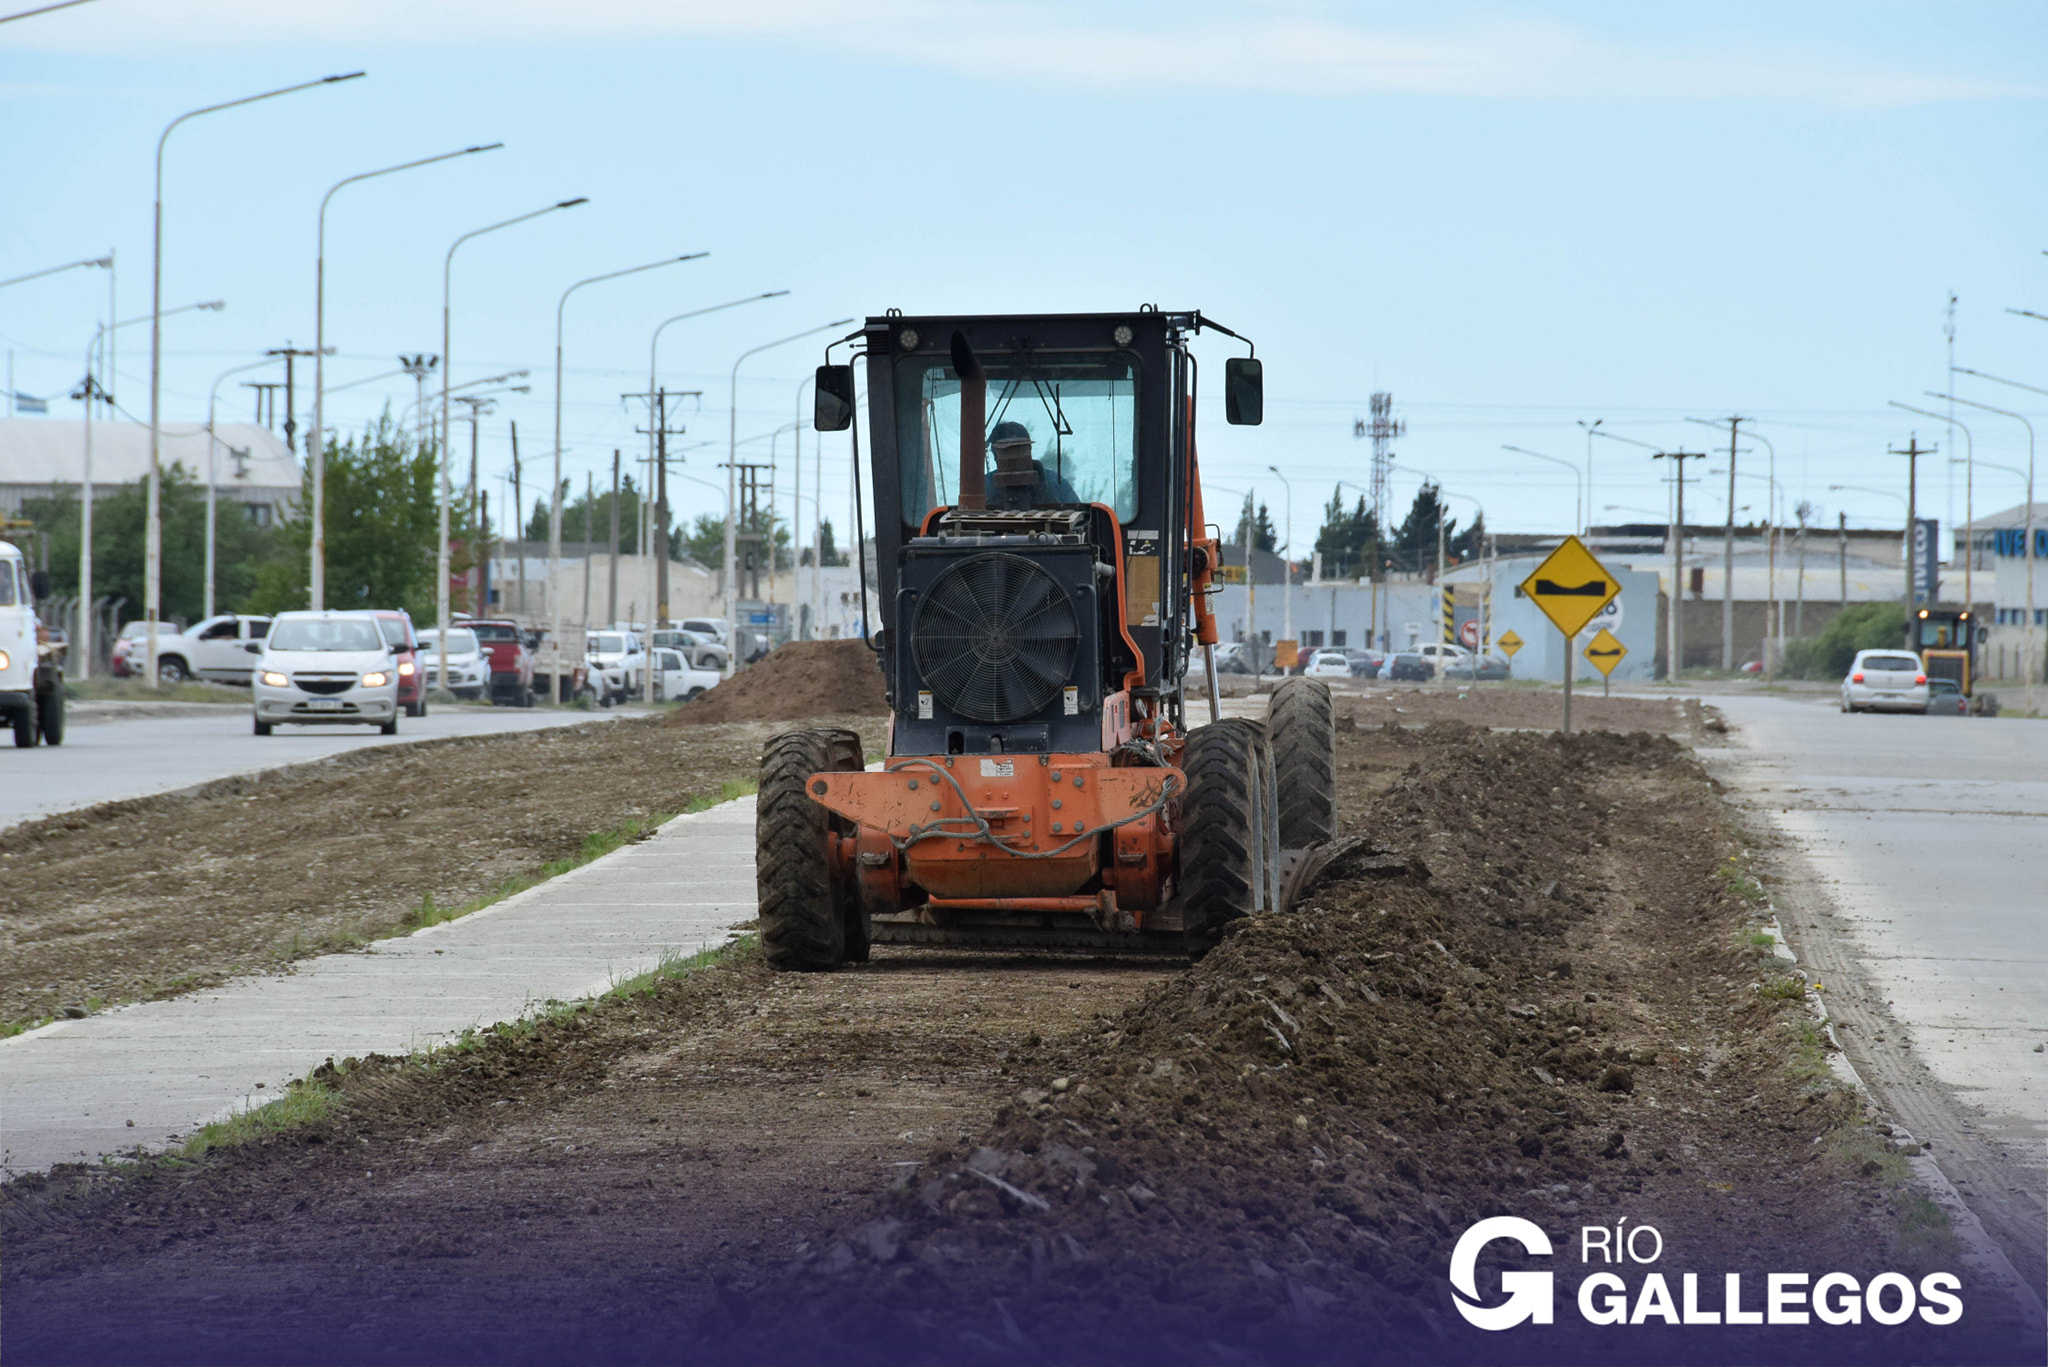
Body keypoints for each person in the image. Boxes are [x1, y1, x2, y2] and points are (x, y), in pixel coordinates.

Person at [986, 420, 1080, 508]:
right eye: (1006, 452)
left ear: (1029, 450)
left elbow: (1079, 516)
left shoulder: (1055, 483)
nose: (1013, 457)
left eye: (1018, 450)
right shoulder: (985, 486)